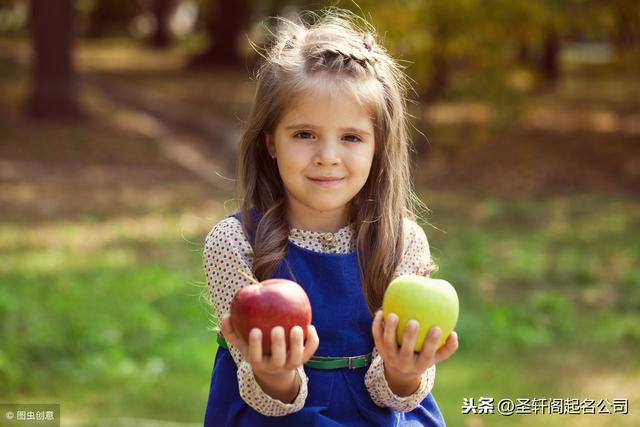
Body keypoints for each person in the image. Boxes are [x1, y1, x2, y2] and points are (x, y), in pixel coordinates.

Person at [202, 7, 459, 426]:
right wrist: (276, 376)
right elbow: (265, 396)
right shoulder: (235, 244)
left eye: (351, 137)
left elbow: (395, 393)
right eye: (304, 134)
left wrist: (403, 371)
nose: (327, 157)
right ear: (270, 142)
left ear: (378, 147)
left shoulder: (402, 243)